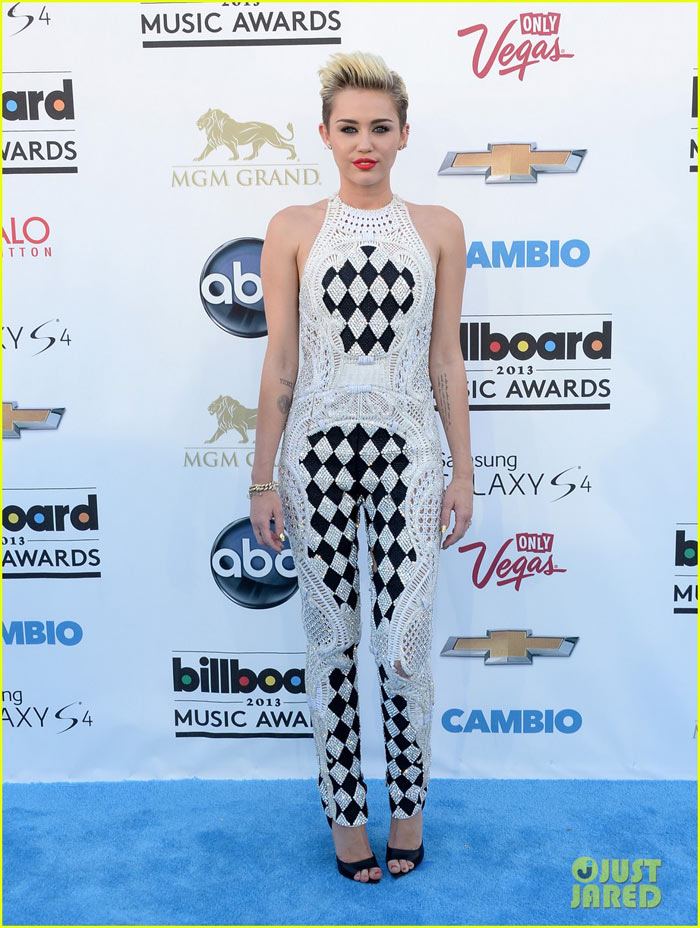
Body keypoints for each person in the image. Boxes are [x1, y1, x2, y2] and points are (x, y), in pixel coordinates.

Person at [250, 50, 473, 883]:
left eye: (380, 127)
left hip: (411, 452)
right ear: (325, 136)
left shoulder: (440, 229)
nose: (365, 142)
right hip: (315, 455)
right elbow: (281, 362)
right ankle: (345, 817)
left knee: (407, 642)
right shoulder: (293, 228)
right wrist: (261, 477)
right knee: (331, 641)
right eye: (350, 128)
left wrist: (462, 472)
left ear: (405, 135)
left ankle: (409, 810)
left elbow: (446, 360)